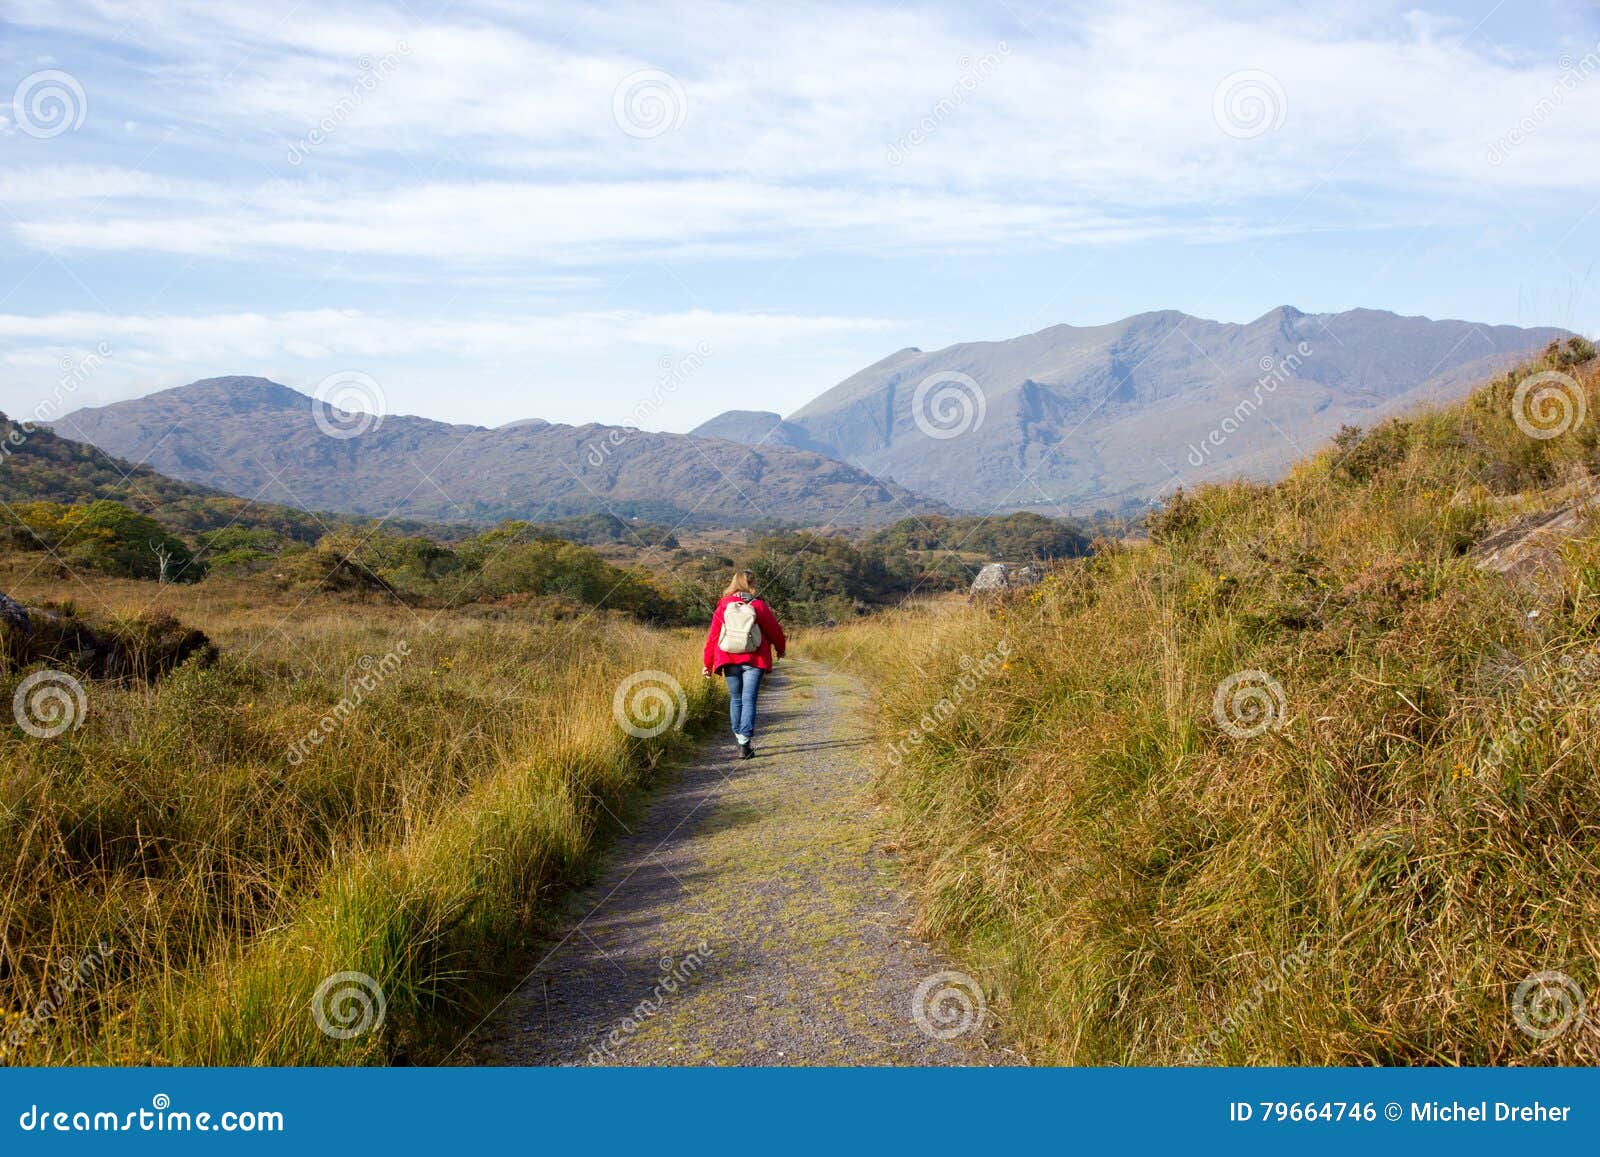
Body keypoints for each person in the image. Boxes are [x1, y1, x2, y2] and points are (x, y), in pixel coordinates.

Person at [702, 570, 786, 758]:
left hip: (729, 658)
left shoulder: (723, 606)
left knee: (736, 699)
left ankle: (739, 736)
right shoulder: (759, 606)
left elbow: (713, 637)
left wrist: (707, 664)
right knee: (749, 700)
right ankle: (744, 743)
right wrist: (780, 650)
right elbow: (775, 632)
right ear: (751, 584)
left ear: (733, 583)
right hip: (755, 660)